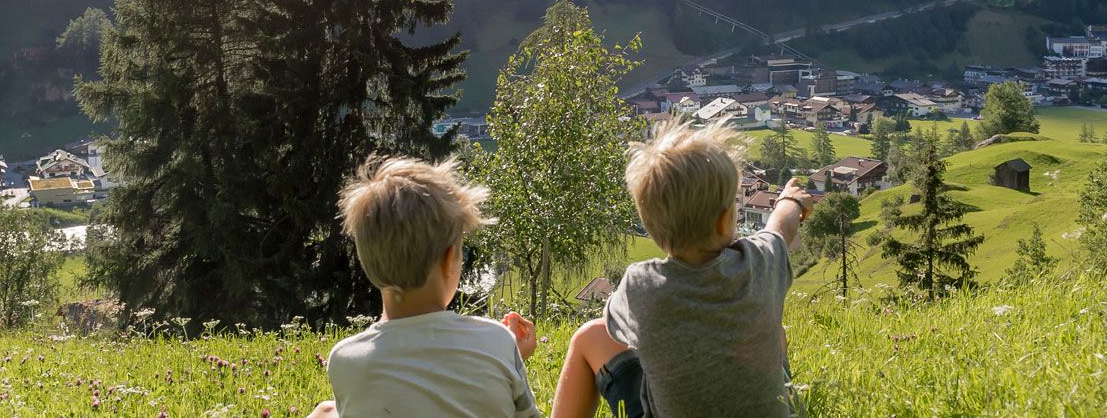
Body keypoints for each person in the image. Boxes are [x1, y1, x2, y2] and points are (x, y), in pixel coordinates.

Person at [552, 121, 809, 418]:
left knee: (589, 336)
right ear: (725, 220)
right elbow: (782, 225)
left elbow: (615, 329)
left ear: (652, 228)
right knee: (772, 328)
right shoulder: (762, 262)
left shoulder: (640, 287)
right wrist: (790, 199)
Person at [312, 157, 540, 418]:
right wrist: (508, 357)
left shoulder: (346, 359)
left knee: (325, 412)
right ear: (448, 260)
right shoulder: (497, 340)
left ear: (368, 263)